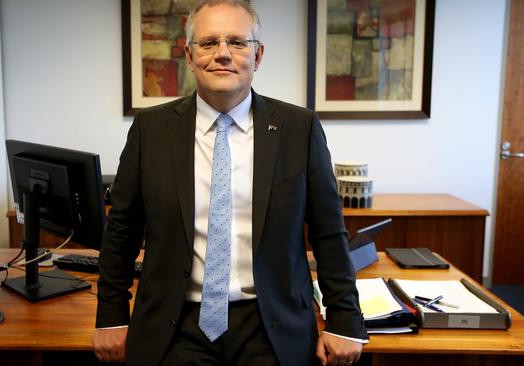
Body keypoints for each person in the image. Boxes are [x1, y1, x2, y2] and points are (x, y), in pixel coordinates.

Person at [93, 1, 367, 365]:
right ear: (189, 56)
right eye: (208, 43)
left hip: (270, 325)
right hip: (175, 325)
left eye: (237, 42)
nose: (222, 54)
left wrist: (344, 319)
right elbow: (122, 232)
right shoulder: (151, 129)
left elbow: (329, 233)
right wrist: (111, 315)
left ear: (257, 56)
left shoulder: (298, 129)